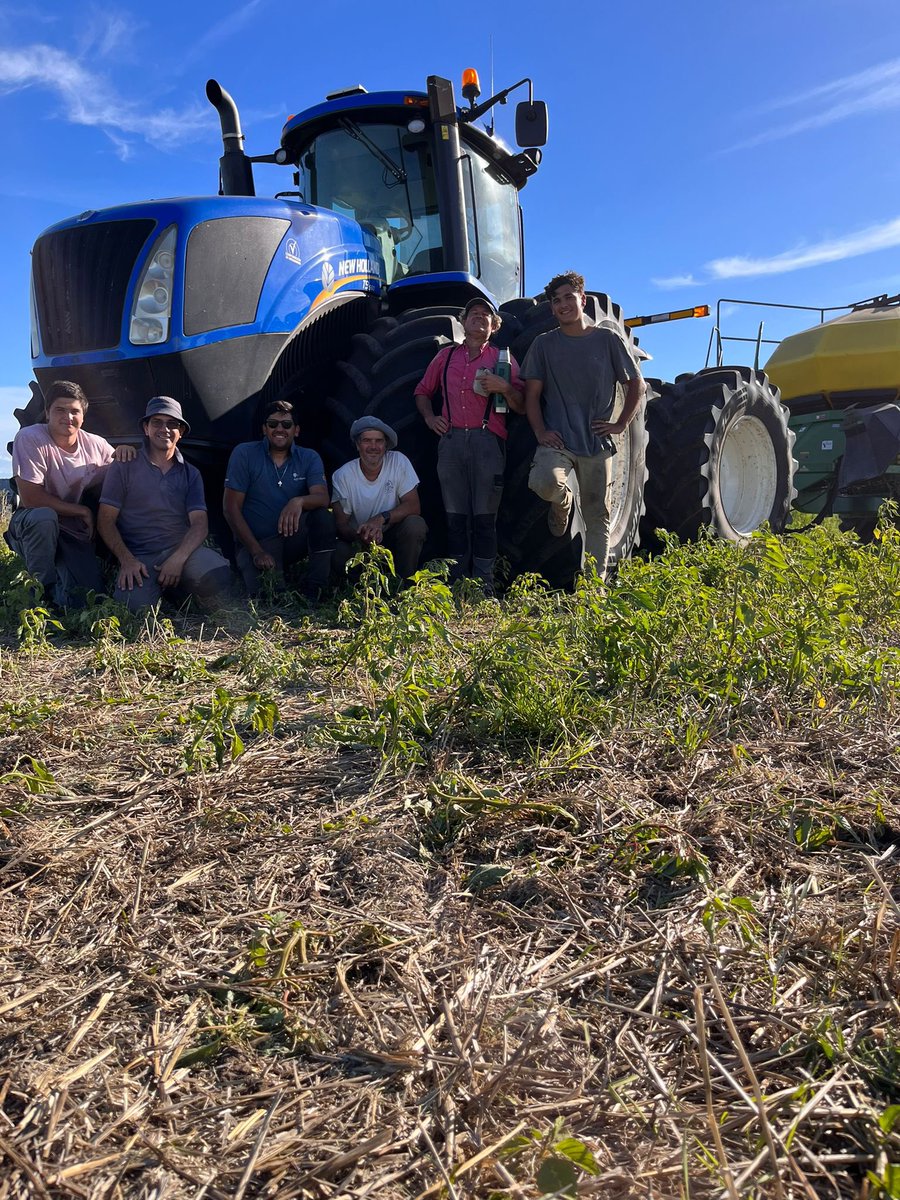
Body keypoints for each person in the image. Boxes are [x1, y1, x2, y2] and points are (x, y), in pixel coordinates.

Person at [522, 271, 644, 576]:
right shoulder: (544, 344)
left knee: (596, 516)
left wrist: (619, 425)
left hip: (596, 443)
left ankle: (594, 589)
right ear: (551, 308)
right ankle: (562, 503)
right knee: (543, 482)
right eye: (556, 301)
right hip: (558, 441)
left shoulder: (608, 340)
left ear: (582, 300)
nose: (563, 305)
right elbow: (532, 395)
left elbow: (636, 385)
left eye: (568, 298)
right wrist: (540, 432)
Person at [414, 297, 524, 592]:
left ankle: (484, 584)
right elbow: (422, 392)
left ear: (494, 326)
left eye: (485, 315)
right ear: (463, 322)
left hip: (488, 440)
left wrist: (506, 388)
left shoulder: (504, 359)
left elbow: (523, 405)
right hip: (450, 443)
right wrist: (429, 418)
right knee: (455, 515)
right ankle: (457, 581)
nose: (479, 318)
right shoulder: (446, 357)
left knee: (485, 516)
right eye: (473, 314)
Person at [6, 379, 134, 608]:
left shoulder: (96, 444)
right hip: (33, 521)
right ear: (47, 413)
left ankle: (65, 589)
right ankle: (39, 595)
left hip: (73, 530)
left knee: (85, 598)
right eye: (60, 410)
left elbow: (122, 477)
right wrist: (82, 510)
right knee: (44, 518)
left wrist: (126, 452)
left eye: (74, 411)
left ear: (83, 417)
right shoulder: (30, 438)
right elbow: (31, 499)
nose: (68, 417)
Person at [97, 397, 233, 612]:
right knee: (133, 609)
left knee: (217, 574)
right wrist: (127, 560)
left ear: (181, 431)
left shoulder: (191, 473)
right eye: (157, 422)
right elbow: (105, 520)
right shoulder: (124, 466)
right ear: (146, 428)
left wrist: (178, 558)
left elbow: (199, 524)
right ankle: (159, 590)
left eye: (172, 424)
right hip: (140, 557)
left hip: (180, 552)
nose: (165, 429)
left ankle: (178, 587)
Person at [223, 400, 335, 601]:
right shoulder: (244, 454)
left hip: (291, 538)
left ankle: (316, 589)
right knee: (271, 599)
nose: (279, 429)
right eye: (273, 424)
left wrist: (298, 501)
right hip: (257, 542)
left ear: (297, 430)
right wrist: (257, 552)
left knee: (322, 518)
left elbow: (322, 498)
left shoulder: (309, 458)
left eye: (286, 424)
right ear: (264, 429)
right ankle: (266, 575)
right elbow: (230, 508)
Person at [331, 417, 427, 581]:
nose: (373, 447)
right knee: (337, 552)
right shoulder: (343, 476)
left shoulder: (399, 461)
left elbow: (413, 505)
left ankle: (404, 583)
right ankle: (359, 587)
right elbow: (341, 524)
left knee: (415, 524)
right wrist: (362, 535)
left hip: (391, 536)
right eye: (367, 441)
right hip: (360, 542)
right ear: (357, 445)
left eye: (379, 441)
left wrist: (381, 519)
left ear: (386, 445)